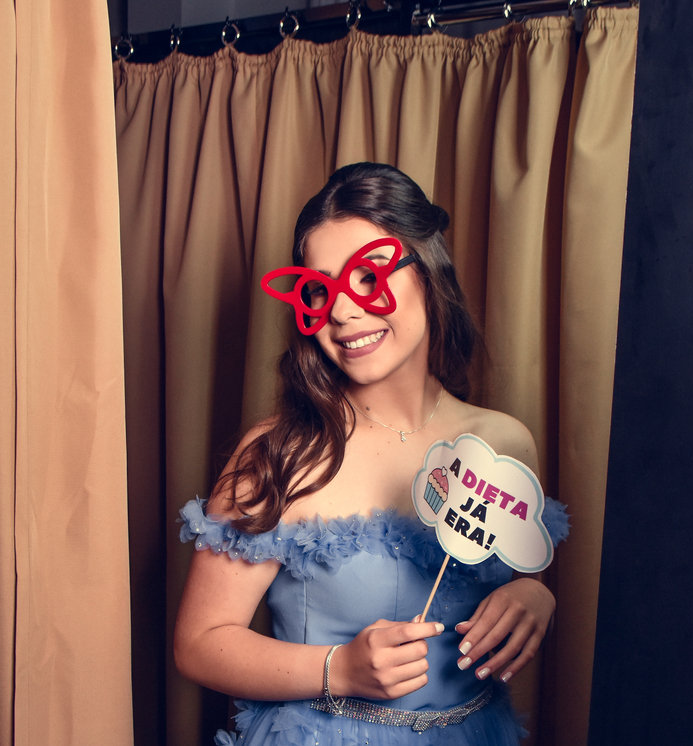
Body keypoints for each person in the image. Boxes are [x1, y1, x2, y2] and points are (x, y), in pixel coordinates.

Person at [175, 163, 568, 745]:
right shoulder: (279, 454)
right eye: (320, 290)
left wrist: (535, 594)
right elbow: (199, 644)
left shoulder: (504, 443)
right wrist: (338, 669)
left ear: (428, 273)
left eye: (368, 276)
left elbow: (524, 564)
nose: (341, 311)